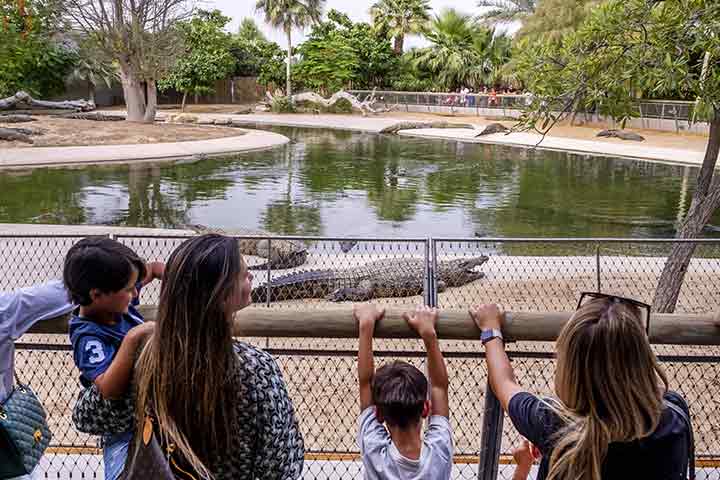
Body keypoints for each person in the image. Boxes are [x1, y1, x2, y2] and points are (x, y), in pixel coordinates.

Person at [132, 234, 304, 480]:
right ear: (222, 294)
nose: (252, 276)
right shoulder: (256, 368)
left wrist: (128, 343)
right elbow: (283, 467)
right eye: (244, 274)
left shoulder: (144, 357)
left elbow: (89, 418)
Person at [470, 296, 692, 480]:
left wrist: (491, 331)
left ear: (569, 369)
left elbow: (503, 383)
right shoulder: (673, 418)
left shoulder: (552, 423)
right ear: (641, 359)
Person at [64, 237, 164, 480]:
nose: (136, 292)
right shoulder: (88, 337)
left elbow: (151, 269)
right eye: (129, 289)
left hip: (150, 412)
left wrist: (166, 271)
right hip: (122, 426)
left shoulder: (116, 304)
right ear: (97, 294)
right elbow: (109, 387)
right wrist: (133, 338)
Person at [355, 304, 453, 480]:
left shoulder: (373, 449)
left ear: (378, 414)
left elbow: (365, 383)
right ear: (425, 408)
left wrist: (366, 326)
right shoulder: (439, 452)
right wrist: (429, 335)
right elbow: (439, 386)